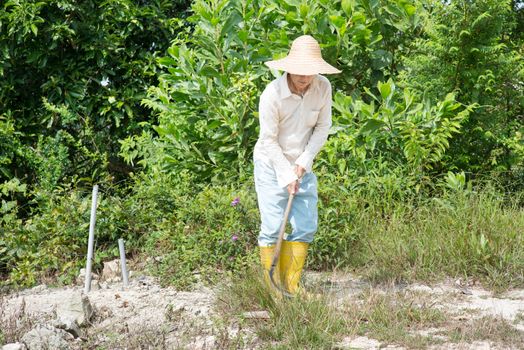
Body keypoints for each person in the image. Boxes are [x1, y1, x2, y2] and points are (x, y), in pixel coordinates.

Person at [254, 35, 341, 295]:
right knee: (272, 227)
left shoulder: (323, 87)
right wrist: (286, 174)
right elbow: (268, 140)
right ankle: (273, 289)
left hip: (303, 164)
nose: (305, 77)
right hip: (271, 165)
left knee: (305, 225)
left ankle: (291, 286)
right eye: (300, 71)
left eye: (310, 71)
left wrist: (303, 162)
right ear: (289, 68)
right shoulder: (271, 95)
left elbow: (323, 127)